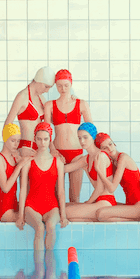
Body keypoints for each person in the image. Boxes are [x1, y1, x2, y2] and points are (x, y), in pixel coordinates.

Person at [15, 122, 68, 251]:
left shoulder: (58, 162)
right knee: (39, 228)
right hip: (32, 206)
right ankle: (38, 268)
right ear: (35, 139)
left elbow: (61, 191)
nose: (42, 143)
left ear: (50, 139)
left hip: (51, 206)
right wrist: (20, 216)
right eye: (39, 139)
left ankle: (50, 265)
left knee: (50, 226)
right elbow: (22, 190)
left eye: (45, 139)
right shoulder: (29, 161)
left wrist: (64, 215)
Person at [44, 69, 94, 203]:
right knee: (55, 198)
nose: (63, 88)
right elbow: (46, 131)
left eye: (66, 85)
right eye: (59, 85)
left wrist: (91, 152)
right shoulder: (50, 105)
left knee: (74, 198)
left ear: (71, 84)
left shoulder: (81, 104)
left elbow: (91, 130)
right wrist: (52, 150)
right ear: (55, 85)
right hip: (57, 152)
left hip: (77, 154)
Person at [94, 133, 140, 222]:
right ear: (101, 151)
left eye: (110, 144)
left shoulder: (123, 158)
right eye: (105, 148)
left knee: (101, 214)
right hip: (130, 205)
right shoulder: (112, 163)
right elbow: (104, 187)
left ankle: (135, 219)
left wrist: (98, 169)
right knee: (99, 209)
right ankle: (134, 218)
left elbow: (112, 188)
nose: (109, 148)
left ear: (114, 143)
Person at [62, 122, 111, 222]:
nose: (82, 141)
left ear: (93, 137)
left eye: (85, 137)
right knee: (62, 207)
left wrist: (87, 203)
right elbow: (64, 169)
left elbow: (100, 188)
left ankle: (97, 219)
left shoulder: (101, 156)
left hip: (106, 201)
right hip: (97, 201)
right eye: (79, 138)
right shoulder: (86, 159)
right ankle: (92, 221)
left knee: (64, 212)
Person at [3, 67, 56, 158]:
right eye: (46, 86)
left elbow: (51, 123)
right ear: (38, 80)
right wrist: (13, 151)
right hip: (26, 148)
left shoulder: (41, 99)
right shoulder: (22, 96)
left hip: (39, 149)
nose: (47, 91)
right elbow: (7, 125)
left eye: (49, 88)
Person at [0, 123, 31, 223]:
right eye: (13, 140)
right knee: (33, 219)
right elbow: (5, 188)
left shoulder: (14, 157)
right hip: (6, 211)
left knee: (38, 212)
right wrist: (19, 166)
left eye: (18, 141)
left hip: (15, 206)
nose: (16, 144)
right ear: (5, 139)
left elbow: (28, 161)